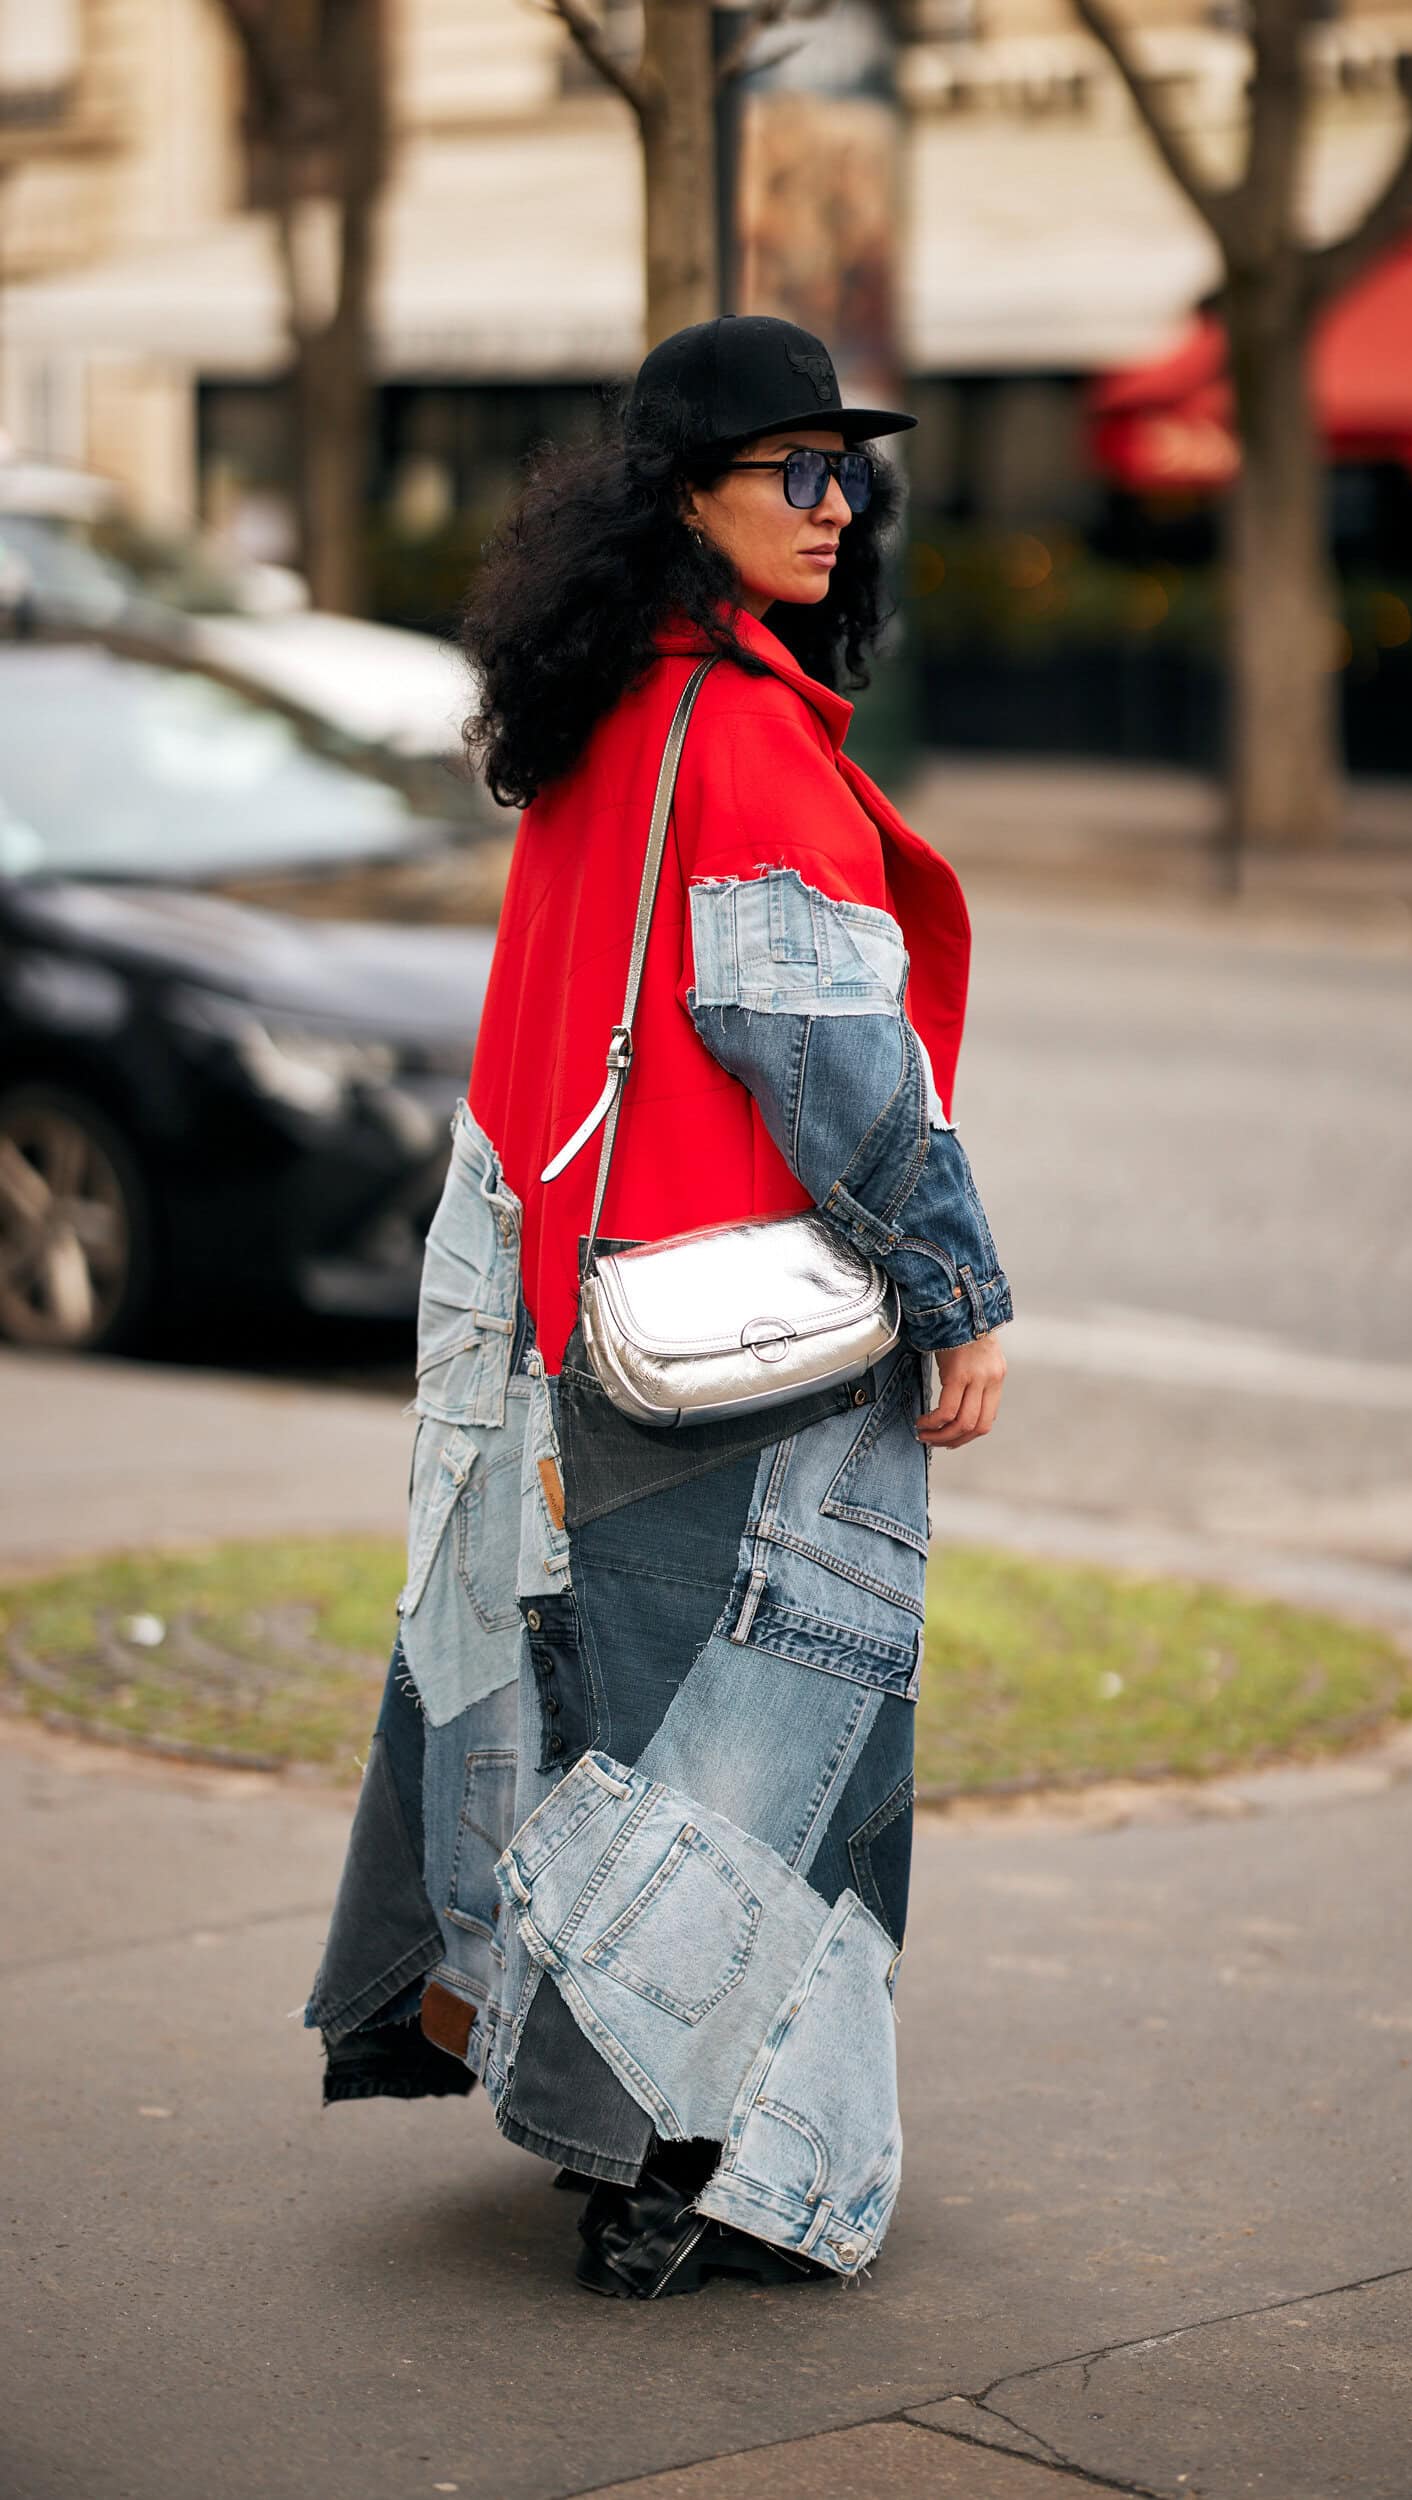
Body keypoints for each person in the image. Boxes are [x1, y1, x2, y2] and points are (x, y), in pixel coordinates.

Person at [304, 313, 1013, 2299]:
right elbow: (832, 1060)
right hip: (744, 1363)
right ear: (684, 497)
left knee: (603, 1735)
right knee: (754, 1760)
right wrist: (961, 1287)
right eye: (788, 467)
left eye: (845, 464)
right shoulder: (748, 734)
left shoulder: (603, 706)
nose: (834, 496)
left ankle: (612, 2133)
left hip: (570, 1320)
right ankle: (700, 2167)